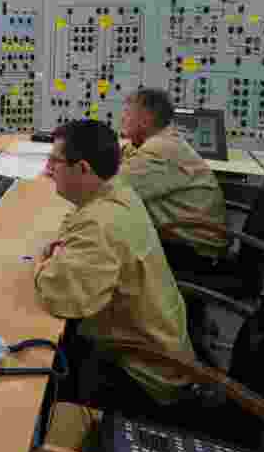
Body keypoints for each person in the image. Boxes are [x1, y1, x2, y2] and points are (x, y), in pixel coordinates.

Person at [35, 119, 197, 413]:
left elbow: (61, 297)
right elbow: (72, 234)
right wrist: (60, 252)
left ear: (83, 168)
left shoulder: (101, 223)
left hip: (141, 376)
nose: (46, 170)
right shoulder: (116, 192)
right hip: (158, 349)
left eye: (54, 162)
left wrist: (42, 264)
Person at [118, 88, 227, 269]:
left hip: (193, 253)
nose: (122, 119)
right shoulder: (163, 140)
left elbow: (110, 187)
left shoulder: (160, 150)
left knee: (107, 249)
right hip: (187, 240)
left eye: (127, 113)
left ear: (145, 120)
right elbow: (124, 154)